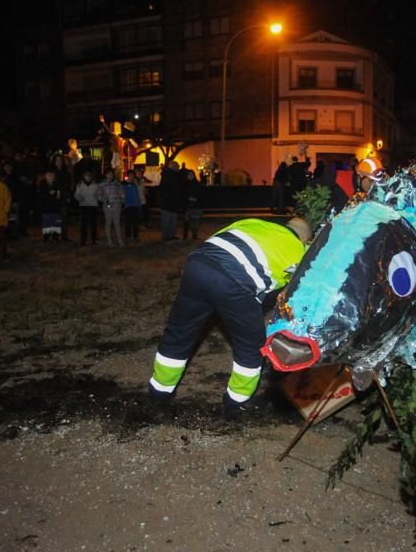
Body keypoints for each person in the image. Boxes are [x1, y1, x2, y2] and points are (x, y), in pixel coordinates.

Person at [148, 216, 312, 414]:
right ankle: (236, 401)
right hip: (235, 282)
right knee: (251, 346)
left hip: (198, 265)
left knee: (179, 331)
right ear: (304, 239)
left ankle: (160, 391)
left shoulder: (253, 222)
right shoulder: (299, 252)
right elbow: (283, 293)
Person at [73, 167, 100, 246]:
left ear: (91, 176)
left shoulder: (95, 185)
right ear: (83, 176)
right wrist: (79, 198)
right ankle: (83, 240)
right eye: (86, 175)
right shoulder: (80, 184)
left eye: (89, 175)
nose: (88, 177)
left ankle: (94, 239)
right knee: (83, 225)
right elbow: (76, 194)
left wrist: (98, 198)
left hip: (93, 206)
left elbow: (99, 194)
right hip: (84, 206)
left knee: (93, 224)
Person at [98, 168, 124, 246]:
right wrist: (105, 201)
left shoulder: (118, 184)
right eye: (108, 174)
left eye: (111, 174)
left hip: (117, 206)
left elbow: (122, 193)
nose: (110, 176)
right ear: (105, 175)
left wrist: (121, 201)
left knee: (117, 223)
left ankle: (119, 240)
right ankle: (109, 241)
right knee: (108, 223)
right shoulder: (101, 184)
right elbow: (99, 195)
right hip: (107, 206)